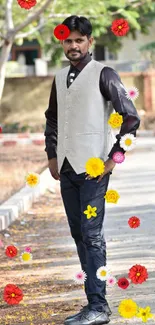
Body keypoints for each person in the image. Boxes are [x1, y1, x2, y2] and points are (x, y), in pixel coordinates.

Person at [44, 15, 140, 325]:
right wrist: (51, 156)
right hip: (68, 170)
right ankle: (94, 304)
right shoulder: (60, 78)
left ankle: (99, 306)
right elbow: (53, 119)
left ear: (90, 43)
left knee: (92, 235)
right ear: (63, 43)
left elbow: (130, 118)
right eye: (68, 40)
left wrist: (115, 158)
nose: (73, 45)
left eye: (79, 40)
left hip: (94, 170)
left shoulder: (105, 74)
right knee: (78, 234)